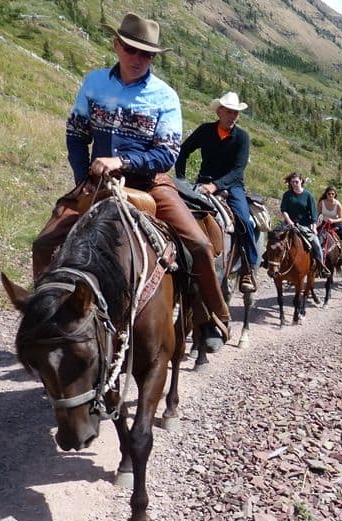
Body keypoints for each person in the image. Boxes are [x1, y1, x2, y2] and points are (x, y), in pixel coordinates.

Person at [31, 12, 230, 351]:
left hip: (149, 183)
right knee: (43, 244)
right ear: (117, 45)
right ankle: (47, 316)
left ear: (153, 57)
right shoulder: (94, 83)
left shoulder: (164, 96)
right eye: (131, 49)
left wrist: (122, 161)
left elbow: (167, 154)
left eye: (146, 54)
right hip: (99, 182)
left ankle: (214, 316)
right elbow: (76, 135)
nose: (138, 59)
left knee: (198, 244)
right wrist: (84, 180)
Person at [175, 91, 257, 293]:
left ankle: (248, 268)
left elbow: (238, 169)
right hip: (203, 182)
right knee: (176, 211)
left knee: (245, 221)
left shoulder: (242, 137)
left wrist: (216, 186)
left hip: (232, 186)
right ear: (219, 111)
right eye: (229, 112)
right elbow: (183, 151)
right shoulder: (205, 130)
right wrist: (182, 179)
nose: (232, 116)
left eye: (235, 113)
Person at [279, 172, 331, 278]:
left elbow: (314, 213)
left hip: (305, 225)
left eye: (296, 182)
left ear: (301, 181)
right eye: (292, 182)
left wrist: (313, 225)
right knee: (275, 239)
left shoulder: (308, 195)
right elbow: (283, 210)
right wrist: (289, 221)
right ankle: (268, 262)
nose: (294, 184)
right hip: (289, 224)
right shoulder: (287, 195)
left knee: (316, 244)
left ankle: (321, 268)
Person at [318, 185, 342, 269]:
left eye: (332, 194)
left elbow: (341, 218)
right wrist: (320, 220)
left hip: (336, 223)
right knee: (313, 236)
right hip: (323, 223)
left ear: (335, 194)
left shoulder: (338, 204)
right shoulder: (322, 202)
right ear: (326, 194)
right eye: (329, 193)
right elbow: (318, 214)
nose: (330, 195)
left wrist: (333, 220)